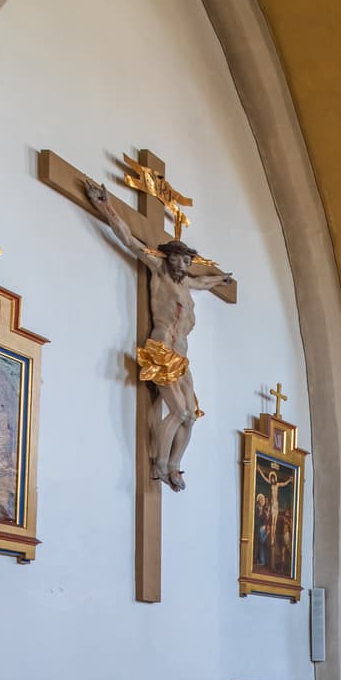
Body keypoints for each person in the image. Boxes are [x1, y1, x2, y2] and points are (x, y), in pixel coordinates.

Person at [81, 176, 235, 491]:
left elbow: (205, 282)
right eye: (178, 257)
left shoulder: (188, 283)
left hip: (182, 355)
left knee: (190, 415)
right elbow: (128, 239)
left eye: (187, 259)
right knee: (178, 410)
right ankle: (161, 464)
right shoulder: (159, 270)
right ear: (168, 257)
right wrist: (105, 205)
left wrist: (221, 280)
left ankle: (176, 464)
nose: (183, 263)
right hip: (161, 349)